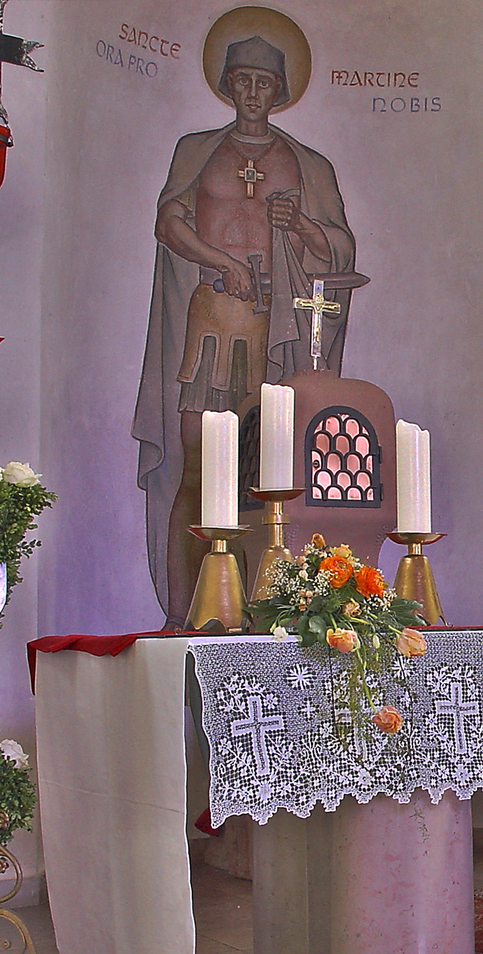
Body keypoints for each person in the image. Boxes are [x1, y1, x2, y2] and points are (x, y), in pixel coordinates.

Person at [133, 34, 356, 628]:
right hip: (213, 322)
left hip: (274, 331)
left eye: (265, 82)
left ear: (280, 92)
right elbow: (169, 221)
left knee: (269, 479)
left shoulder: (309, 164)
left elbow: (339, 250)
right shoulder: (196, 151)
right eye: (243, 80)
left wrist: (304, 225)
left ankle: (263, 618)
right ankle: (181, 617)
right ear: (228, 86)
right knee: (196, 466)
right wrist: (221, 259)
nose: (253, 92)